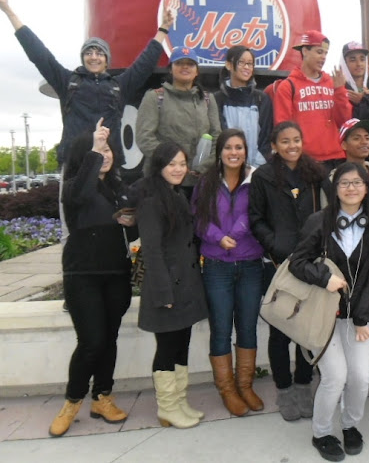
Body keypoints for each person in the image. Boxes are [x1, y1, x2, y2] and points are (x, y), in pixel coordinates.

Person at [0, 0, 172, 173]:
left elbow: (144, 64)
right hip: (75, 165)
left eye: (100, 53)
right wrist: (9, 11)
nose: (94, 56)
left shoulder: (119, 85)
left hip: (108, 165)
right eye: (89, 52)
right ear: (83, 58)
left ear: (107, 61)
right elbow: (37, 53)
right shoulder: (67, 81)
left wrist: (163, 29)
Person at [289, 163, 369, 461]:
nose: (351, 188)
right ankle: (321, 432)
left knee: (359, 377)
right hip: (323, 315)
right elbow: (297, 263)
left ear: (367, 188)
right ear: (335, 188)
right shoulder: (319, 221)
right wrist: (324, 277)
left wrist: (361, 319)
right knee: (334, 376)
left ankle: (350, 425)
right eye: (344, 183)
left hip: (356, 316)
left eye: (358, 182)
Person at [48, 121, 137, 437]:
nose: (105, 154)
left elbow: (133, 224)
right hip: (82, 274)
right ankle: (72, 401)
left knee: (109, 339)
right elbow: (83, 194)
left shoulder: (118, 188)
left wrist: (131, 223)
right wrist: (94, 150)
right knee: (91, 341)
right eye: (98, 150)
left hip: (115, 273)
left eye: (108, 148)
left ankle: (102, 396)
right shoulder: (74, 187)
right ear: (84, 157)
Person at [249, 121, 326, 421]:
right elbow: (256, 219)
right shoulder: (263, 176)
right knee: (281, 330)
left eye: (296, 139)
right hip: (278, 264)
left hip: (310, 263)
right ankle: (284, 391)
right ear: (275, 145)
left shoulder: (315, 174)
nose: (292, 146)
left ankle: (304, 387)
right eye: (285, 141)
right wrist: (275, 248)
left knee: (305, 330)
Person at [135, 142, 209, 429]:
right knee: (166, 349)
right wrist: (164, 293)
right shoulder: (152, 200)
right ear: (159, 167)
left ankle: (179, 401)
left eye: (181, 163)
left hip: (185, 286)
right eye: (171, 164)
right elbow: (151, 250)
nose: (178, 169)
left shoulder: (175, 195)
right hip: (167, 289)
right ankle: (167, 407)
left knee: (181, 346)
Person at [192, 129, 266, 416]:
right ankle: (227, 389)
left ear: (246, 151)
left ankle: (245, 385)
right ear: (220, 152)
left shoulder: (256, 179)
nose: (234, 152)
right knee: (221, 328)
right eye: (228, 148)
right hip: (216, 265)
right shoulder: (207, 181)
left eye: (239, 147)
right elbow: (198, 217)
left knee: (247, 326)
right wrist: (217, 237)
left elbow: (259, 211)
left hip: (249, 264)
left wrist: (236, 232)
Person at [136, 47, 221, 198]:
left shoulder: (208, 99)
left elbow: (217, 137)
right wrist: (175, 164)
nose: (185, 67)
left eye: (190, 64)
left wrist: (204, 166)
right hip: (162, 182)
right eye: (179, 63)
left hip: (199, 181)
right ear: (170, 69)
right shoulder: (154, 98)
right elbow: (145, 138)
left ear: (197, 71)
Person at [273, 30, 352, 167]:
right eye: (319, 52)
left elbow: (345, 121)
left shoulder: (333, 82)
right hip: (304, 160)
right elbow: (283, 128)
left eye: (325, 53)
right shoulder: (287, 86)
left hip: (335, 157)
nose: (323, 57)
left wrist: (339, 91)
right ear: (305, 51)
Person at [213, 45, 273, 168]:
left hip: (256, 170)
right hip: (226, 168)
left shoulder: (261, 99)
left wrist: (255, 167)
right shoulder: (217, 99)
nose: (246, 67)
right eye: (241, 62)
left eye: (250, 64)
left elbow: (267, 137)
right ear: (229, 65)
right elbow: (217, 135)